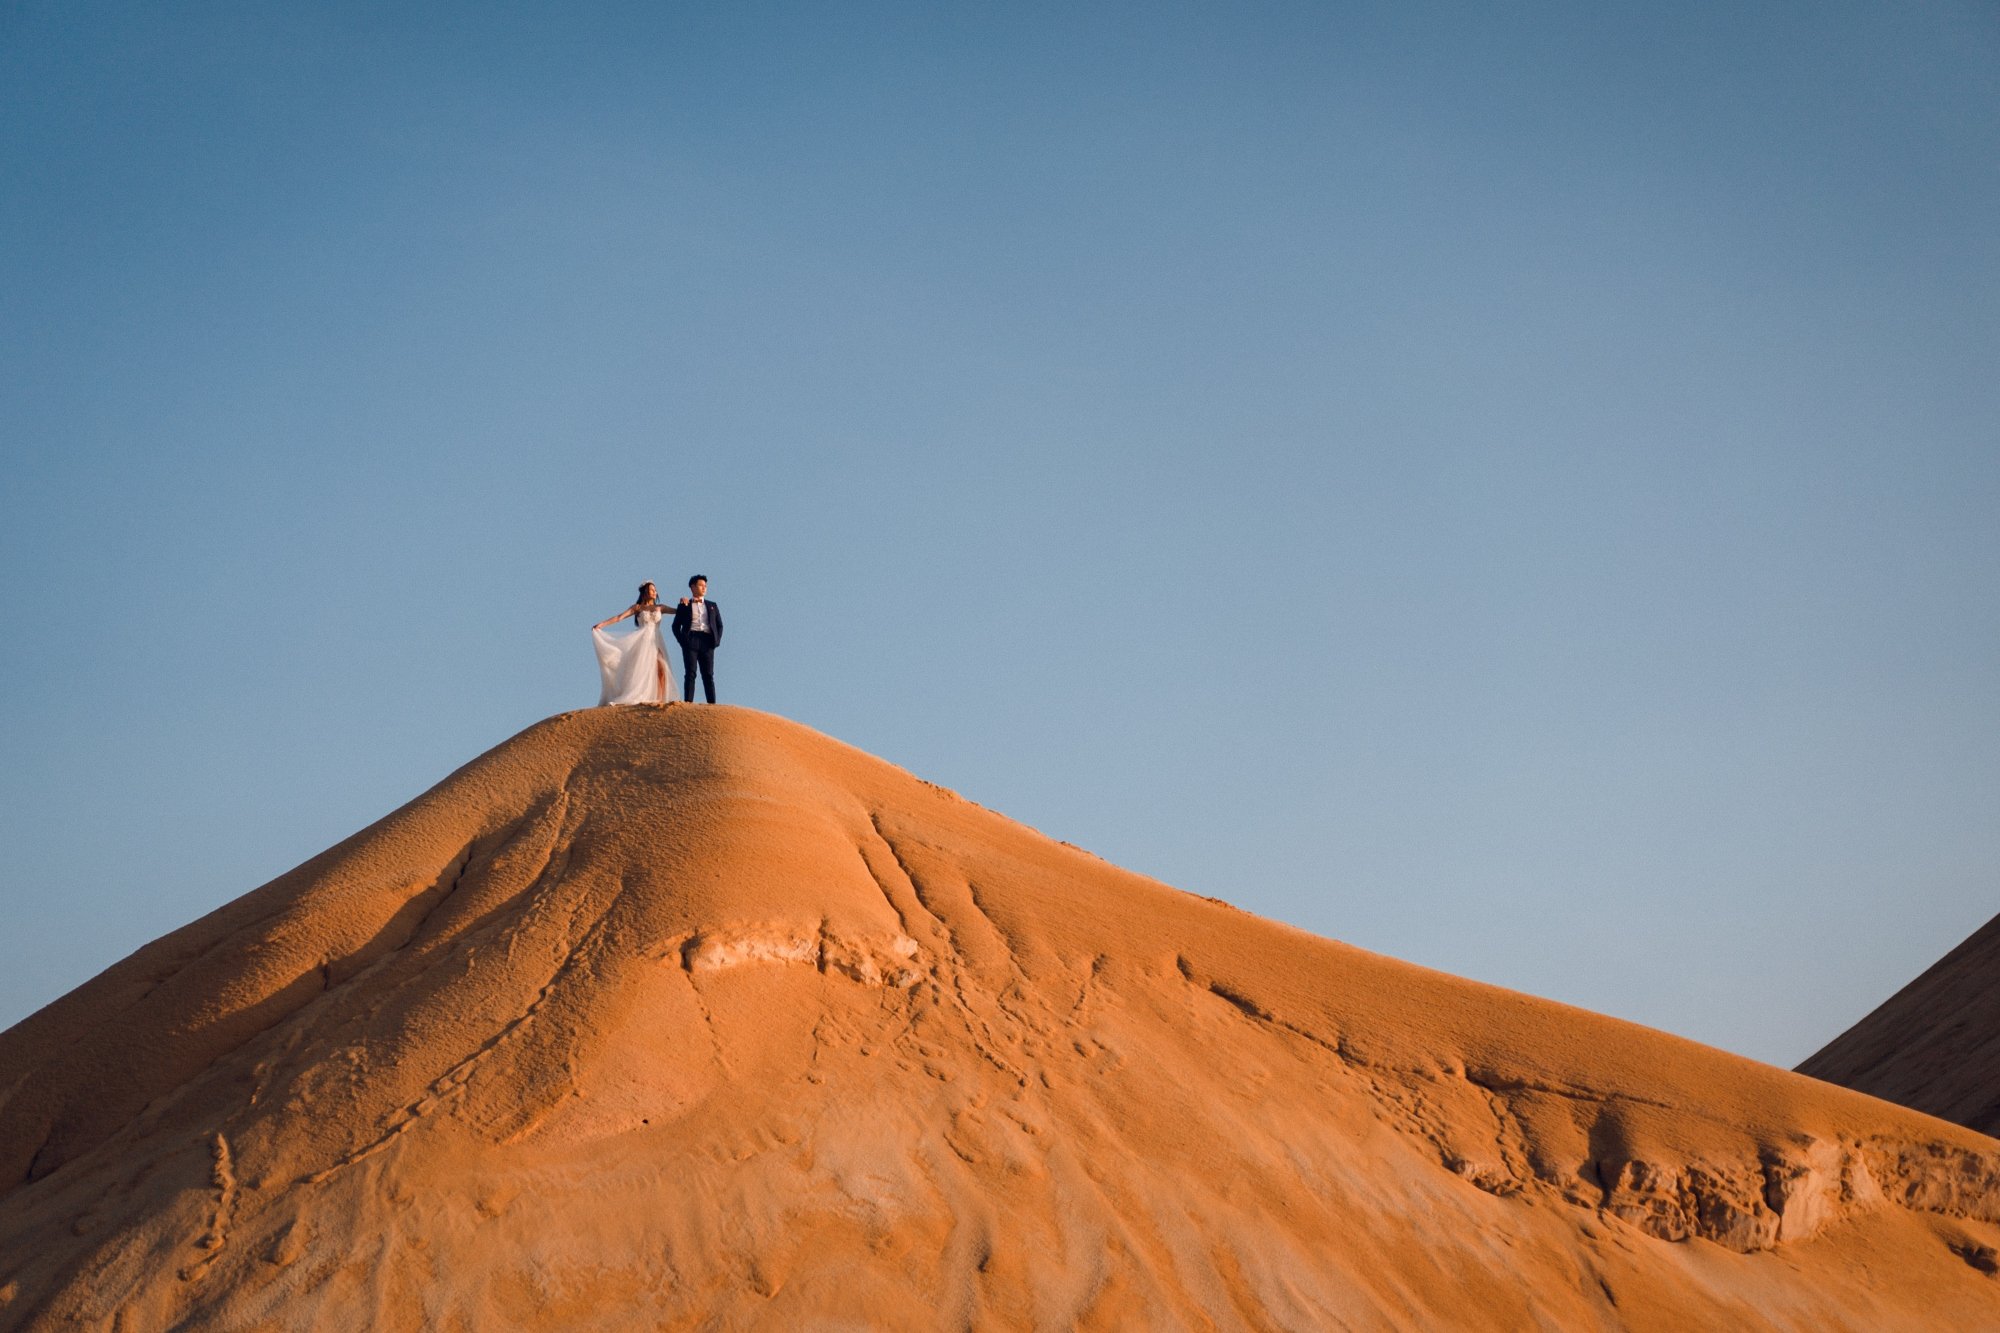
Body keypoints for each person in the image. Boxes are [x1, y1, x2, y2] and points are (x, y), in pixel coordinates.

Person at [590, 581, 675, 706]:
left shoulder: (660, 607)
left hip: (656, 639)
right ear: (645, 592)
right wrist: (601, 625)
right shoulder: (637, 608)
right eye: (652, 590)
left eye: (655, 590)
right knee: (642, 668)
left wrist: (686, 603)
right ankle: (638, 694)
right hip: (643, 640)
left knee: (661, 667)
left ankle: (661, 699)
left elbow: (677, 611)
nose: (654, 592)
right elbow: (619, 617)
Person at [672, 574, 723, 703]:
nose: (704, 588)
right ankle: (688, 702)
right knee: (690, 672)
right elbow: (675, 626)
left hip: (707, 640)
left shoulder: (712, 605)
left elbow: (719, 625)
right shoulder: (684, 605)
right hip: (691, 638)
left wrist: (716, 641)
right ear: (692, 587)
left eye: (705, 586)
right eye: (701, 585)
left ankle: (712, 704)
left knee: (708, 674)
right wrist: (683, 641)